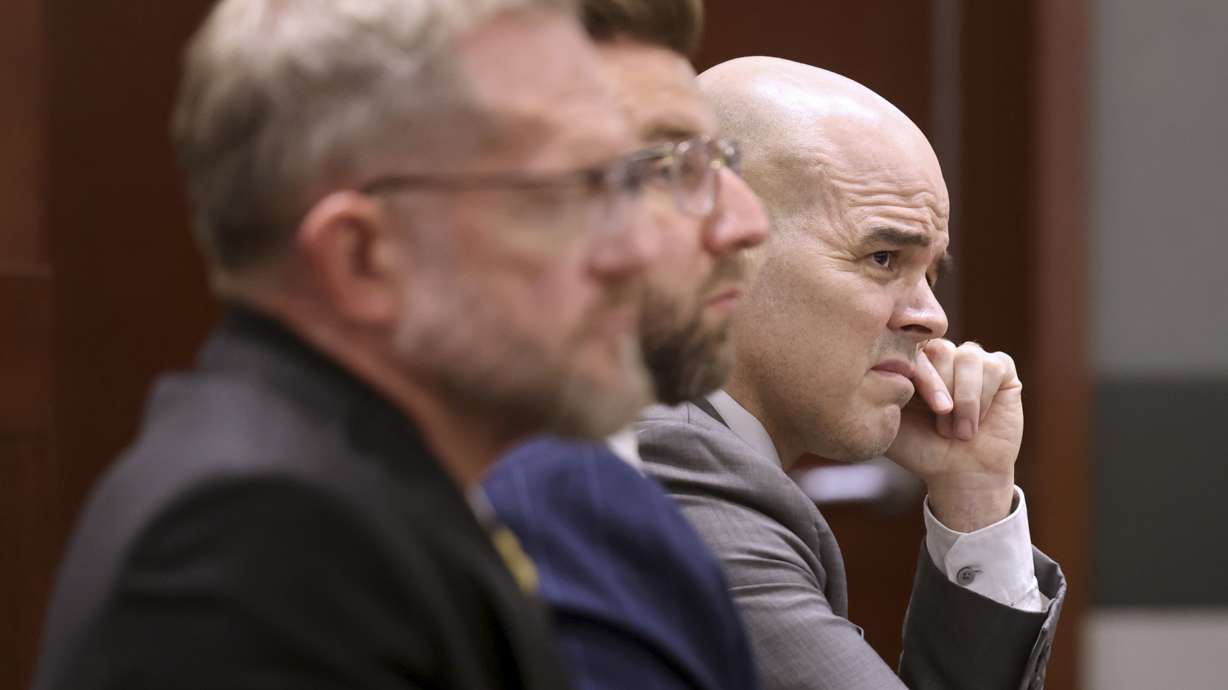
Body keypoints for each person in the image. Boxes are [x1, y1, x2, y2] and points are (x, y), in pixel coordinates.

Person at [31, 1, 663, 688]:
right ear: (363, 258)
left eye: (624, 182)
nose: (639, 249)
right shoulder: (264, 540)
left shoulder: (356, 492)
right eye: (569, 192)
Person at [637, 57, 1067, 690]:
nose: (933, 317)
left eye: (931, 273)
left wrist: (974, 496)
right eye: (882, 256)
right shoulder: (669, 462)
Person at [481, 2, 770, 690]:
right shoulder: (551, 500)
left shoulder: (596, 480)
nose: (748, 223)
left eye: (719, 161)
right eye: (668, 167)